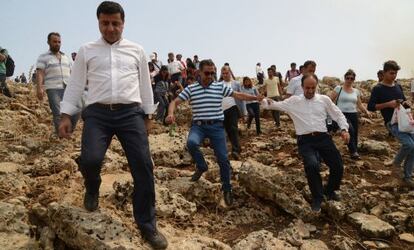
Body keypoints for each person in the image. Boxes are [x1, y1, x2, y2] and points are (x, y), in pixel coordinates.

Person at [58, 2, 167, 248]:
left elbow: (144, 85)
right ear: (98, 23)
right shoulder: (87, 50)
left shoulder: (136, 50)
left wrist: (148, 116)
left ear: (123, 23)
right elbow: (75, 85)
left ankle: (148, 225)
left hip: (131, 114)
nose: (110, 28)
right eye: (105, 23)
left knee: (143, 167)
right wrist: (66, 115)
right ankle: (93, 186)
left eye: (115, 23)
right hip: (97, 114)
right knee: (90, 160)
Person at [166, 59, 263, 206]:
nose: (210, 75)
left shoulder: (219, 87)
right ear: (199, 72)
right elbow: (174, 102)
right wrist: (170, 114)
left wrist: (256, 98)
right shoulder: (191, 89)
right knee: (191, 143)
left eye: (213, 73)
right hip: (198, 126)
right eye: (207, 73)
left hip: (217, 127)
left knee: (223, 159)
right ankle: (202, 165)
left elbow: (239, 95)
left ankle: (227, 189)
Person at [261, 74, 350, 212]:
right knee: (312, 165)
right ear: (302, 87)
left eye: (313, 87)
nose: (310, 90)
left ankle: (330, 191)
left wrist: (344, 129)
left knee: (337, 165)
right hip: (305, 141)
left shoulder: (324, 100)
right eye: (307, 87)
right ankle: (317, 198)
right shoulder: (294, 101)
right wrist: (264, 101)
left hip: (323, 138)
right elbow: (275, 105)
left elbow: (337, 114)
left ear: (316, 86)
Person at [368, 60, 414, 187]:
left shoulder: (398, 86)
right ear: (384, 72)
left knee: (413, 147)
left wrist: (406, 103)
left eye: (395, 73)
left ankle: (407, 177)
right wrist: (388, 104)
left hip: (405, 121)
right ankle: (396, 165)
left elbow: (403, 101)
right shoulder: (378, 88)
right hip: (392, 123)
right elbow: (371, 107)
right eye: (391, 73)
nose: (394, 76)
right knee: (409, 144)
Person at [36, 32, 80, 135]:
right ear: (48, 42)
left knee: (76, 111)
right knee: (58, 112)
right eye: (54, 42)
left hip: (68, 88)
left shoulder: (66, 57)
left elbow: (72, 73)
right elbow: (40, 72)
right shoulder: (43, 57)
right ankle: (61, 136)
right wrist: (39, 88)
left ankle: (68, 132)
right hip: (53, 88)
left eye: (59, 42)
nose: (57, 44)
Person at [330, 69, 371, 159]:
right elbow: (329, 100)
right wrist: (331, 111)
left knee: (355, 133)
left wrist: (366, 111)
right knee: (350, 130)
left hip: (353, 114)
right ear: (344, 78)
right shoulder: (338, 88)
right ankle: (353, 152)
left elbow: (359, 104)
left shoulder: (356, 91)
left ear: (354, 80)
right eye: (347, 78)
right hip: (341, 114)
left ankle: (354, 150)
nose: (349, 80)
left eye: (351, 78)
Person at [221, 65, 245, 160]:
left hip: (233, 108)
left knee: (233, 128)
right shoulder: (219, 84)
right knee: (227, 130)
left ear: (230, 73)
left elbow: (242, 98)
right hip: (222, 110)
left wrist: (244, 112)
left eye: (227, 73)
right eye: (223, 73)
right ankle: (236, 147)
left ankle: (235, 150)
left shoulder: (236, 84)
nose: (225, 75)